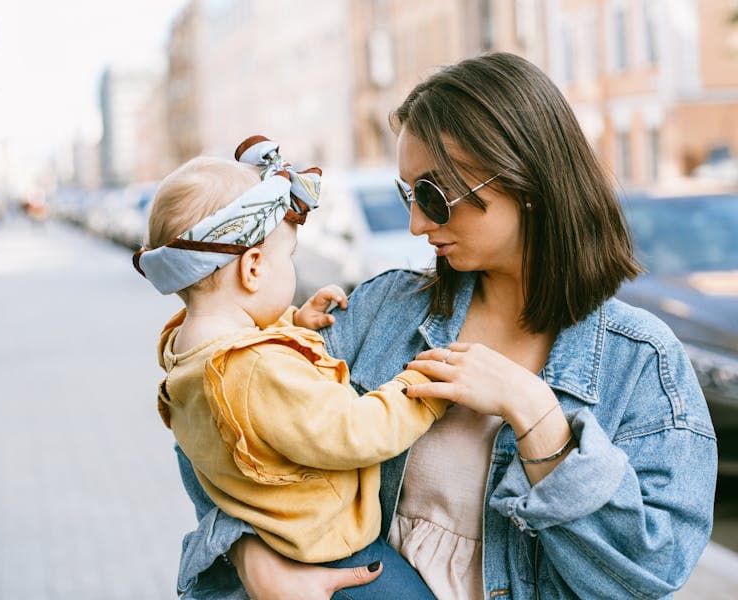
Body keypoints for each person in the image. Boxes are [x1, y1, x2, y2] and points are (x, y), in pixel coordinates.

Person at [172, 53, 718, 599]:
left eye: (435, 196)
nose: (416, 224)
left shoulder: (642, 361)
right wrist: (252, 556)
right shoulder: (384, 309)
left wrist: (537, 417)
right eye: (409, 195)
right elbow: (216, 419)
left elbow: (644, 576)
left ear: (525, 178)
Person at [133, 136, 448, 599]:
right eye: (290, 257)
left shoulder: (188, 353)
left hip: (272, 542)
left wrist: (292, 324)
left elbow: (245, 387)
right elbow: (353, 430)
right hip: (329, 553)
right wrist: (422, 386)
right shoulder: (258, 369)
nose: (293, 269)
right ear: (254, 268)